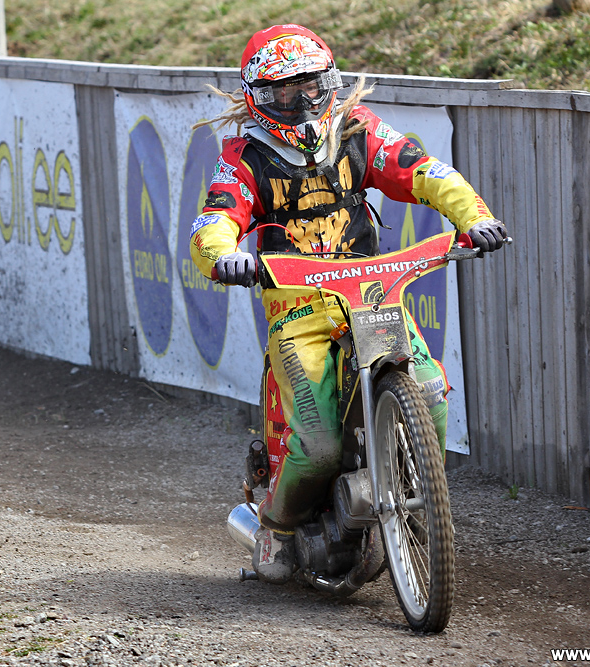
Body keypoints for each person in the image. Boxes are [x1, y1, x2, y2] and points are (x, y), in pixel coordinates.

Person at [189, 24, 508, 583]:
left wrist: (474, 217)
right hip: (298, 308)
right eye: (284, 92)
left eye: (311, 86)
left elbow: (426, 172)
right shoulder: (243, 156)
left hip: (370, 293)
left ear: (330, 82)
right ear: (257, 96)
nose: (302, 102)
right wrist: (224, 255)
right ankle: (276, 527)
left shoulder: (359, 129)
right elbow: (214, 218)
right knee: (315, 447)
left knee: (429, 389)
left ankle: (414, 498)